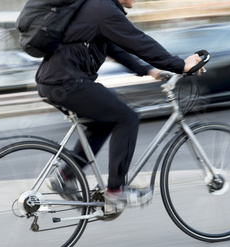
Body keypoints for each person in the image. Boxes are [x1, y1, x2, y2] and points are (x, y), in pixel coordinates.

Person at [36, 0, 202, 215]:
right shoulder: (102, 8)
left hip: (58, 82)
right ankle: (115, 192)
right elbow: (138, 41)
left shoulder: (98, 9)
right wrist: (180, 64)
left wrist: (148, 70)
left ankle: (66, 176)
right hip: (66, 83)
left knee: (102, 124)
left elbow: (115, 48)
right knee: (127, 118)